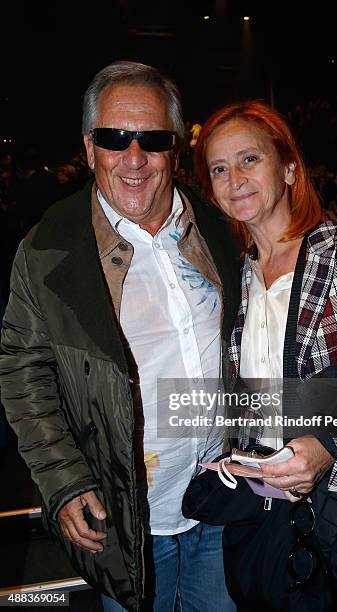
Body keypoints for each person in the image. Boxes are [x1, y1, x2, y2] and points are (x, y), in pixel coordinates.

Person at [0, 62, 241, 611]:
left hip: (224, 498)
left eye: (152, 139)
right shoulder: (48, 251)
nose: (134, 158)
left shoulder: (224, 226)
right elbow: (21, 371)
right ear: (90, 148)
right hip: (128, 521)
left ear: (174, 148)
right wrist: (62, 477)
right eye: (115, 138)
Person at [193, 100, 337, 610]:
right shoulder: (229, 282)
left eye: (250, 159)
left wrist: (330, 447)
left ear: (288, 168)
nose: (234, 179)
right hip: (267, 523)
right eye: (219, 169)